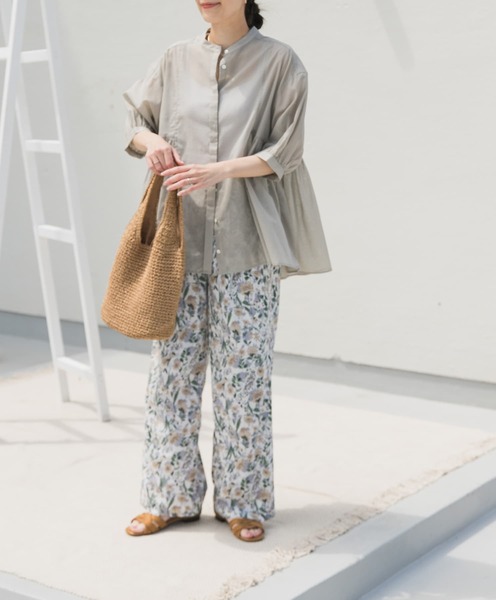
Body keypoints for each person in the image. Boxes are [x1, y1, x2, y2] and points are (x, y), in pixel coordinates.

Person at [122, 0, 331, 542]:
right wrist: (154, 142)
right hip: (179, 242)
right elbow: (136, 122)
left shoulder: (280, 63)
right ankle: (168, 498)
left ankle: (244, 501)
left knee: (244, 380)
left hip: (248, 243)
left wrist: (220, 170)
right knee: (171, 377)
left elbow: (286, 150)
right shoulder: (174, 59)